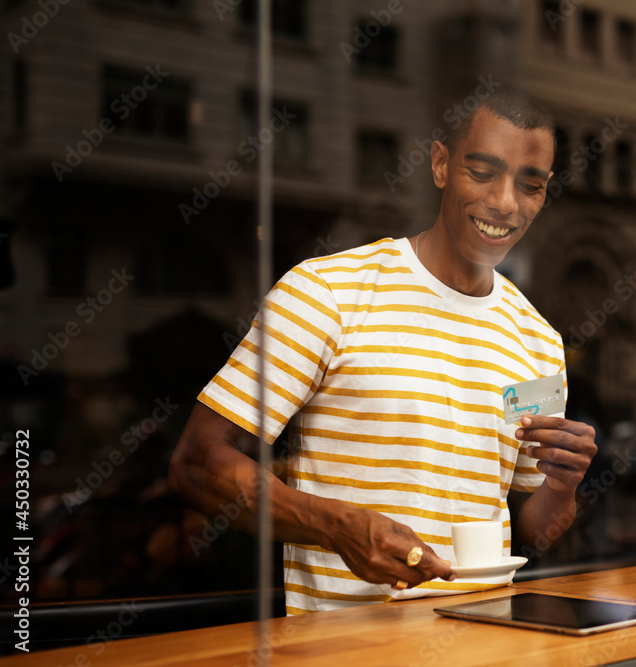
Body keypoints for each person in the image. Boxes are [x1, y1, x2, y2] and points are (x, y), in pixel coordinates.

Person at [168, 88, 598, 614]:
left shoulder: (538, 341)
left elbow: (535, 530)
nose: (505, 203)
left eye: (529, 185)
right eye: (482, 172)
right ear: (440, 165)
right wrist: (337, 526)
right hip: (347, 650)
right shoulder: (327, 295)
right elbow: (194, 464)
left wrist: (562, 483)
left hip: (489, 647)